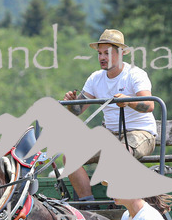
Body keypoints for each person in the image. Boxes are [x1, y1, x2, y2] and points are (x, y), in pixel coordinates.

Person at [62, 29, 156, 202]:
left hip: (140, 134)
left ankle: (122, 200)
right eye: (99, 53)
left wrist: (128, 101)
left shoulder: (135, 74)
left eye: (106, 53)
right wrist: (71, 102)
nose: (101, 58)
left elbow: (149, 105)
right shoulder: (95, 79)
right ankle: (88, 205)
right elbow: (78, 110)